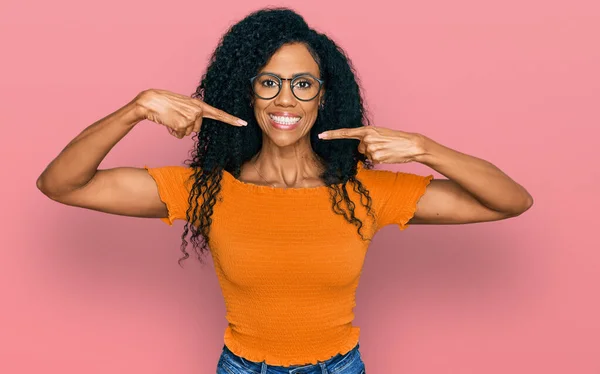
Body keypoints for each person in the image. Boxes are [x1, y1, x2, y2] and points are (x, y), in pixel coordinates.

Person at [36, 7, 533, 374]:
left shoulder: (364, 192)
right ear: (246, 92)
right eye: (268, 82)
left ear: (324, 95)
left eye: (302, 84)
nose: (285, 100)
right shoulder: (205, 190)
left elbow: (511, 201)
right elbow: (61, 184)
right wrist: (136, 109)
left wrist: (426, 149)